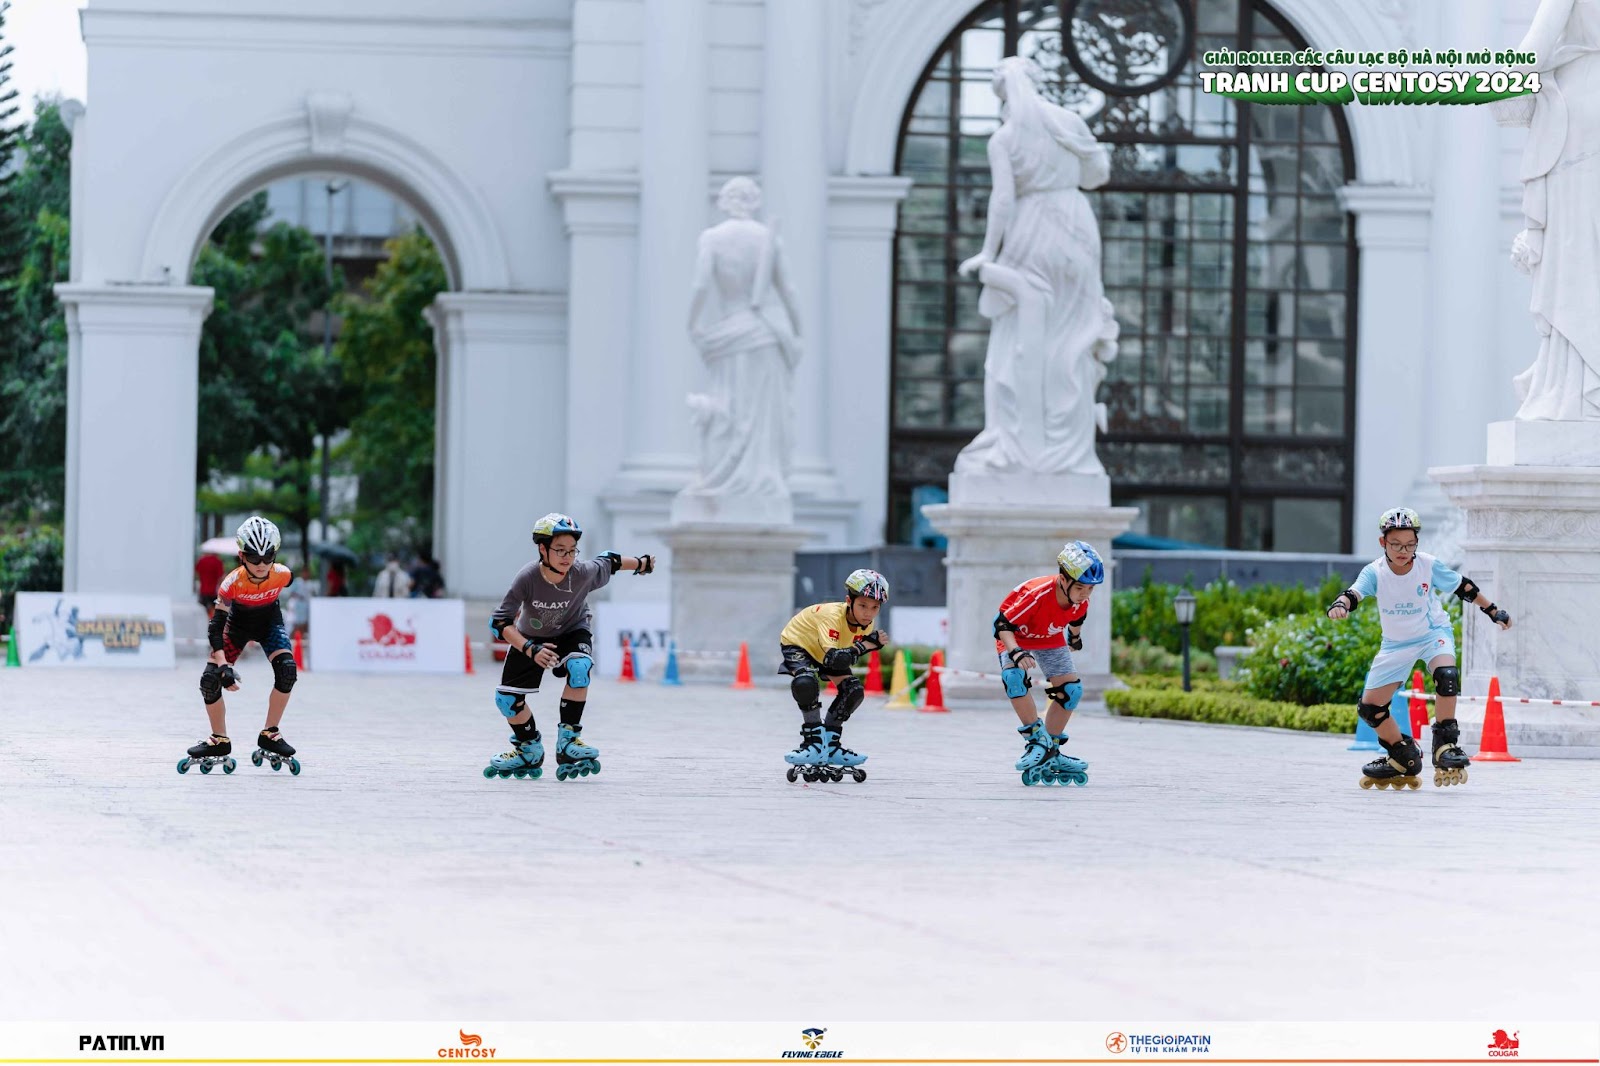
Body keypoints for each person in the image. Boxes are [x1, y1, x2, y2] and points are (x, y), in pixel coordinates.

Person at [1326, 507, 1513, 790]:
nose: (1404, 551)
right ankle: (1403, 755)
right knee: (1370, 709)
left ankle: (1445, 745)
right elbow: (1354, 593)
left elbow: (1463, 587)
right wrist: (1340, 605)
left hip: (1432, 633)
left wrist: (1493, 610)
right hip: (1395, 644)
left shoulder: (1427, 564)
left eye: (1410, 545)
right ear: (1382, 543)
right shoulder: (1374, 572)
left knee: (1447, 675)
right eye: (1396, 545)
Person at [483, 513, 654, 782]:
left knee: (579, 667)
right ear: (542, 549)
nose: (567, 557)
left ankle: (568, 741)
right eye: (560, 550)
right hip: (531, 638)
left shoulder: (582, 573)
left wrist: (642, 564)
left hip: (573, 630)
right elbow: (500, 623)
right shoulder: (527, 577)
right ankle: (528, 749)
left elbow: (610, 561)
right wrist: (530, 649)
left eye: (572, 551)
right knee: (506, 701)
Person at [179, 516, 302, 776]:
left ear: (275, 555)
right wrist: (224, 665)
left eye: (267, 558)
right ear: (241, 556)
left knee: (288, 671)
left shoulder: (283, 575)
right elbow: (215, 626)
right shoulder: (231, 582)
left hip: (269, 623)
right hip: (237, 626)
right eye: (253, 558)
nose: (261, 564)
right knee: (210, 680)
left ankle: (270, 733)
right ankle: (219, 740)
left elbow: (294, 581)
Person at [992, 541, 1103, 786]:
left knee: (1071, 690)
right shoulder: (1037, 595)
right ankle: (1036, 740)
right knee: (1014, 679)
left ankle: (1051, 748)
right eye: (1081, 587)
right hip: (1015, 634)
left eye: (1091, 589)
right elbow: (1002, 625)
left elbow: (1078, 616)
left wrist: (1074, 637)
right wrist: (1018, 653)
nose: (1085, 594)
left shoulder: (1080, 599)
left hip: (1049, 636)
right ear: (1064, 580)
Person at [776, 569, 889, 783]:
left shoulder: (867, 623)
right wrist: (865, 645)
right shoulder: (832, 617)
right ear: (849, 601)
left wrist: (861, 647)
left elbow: (843, 656)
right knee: (805, 682)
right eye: (863, 605)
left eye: (875, 607)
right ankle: (813, 744)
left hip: (827, 651)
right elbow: (834, 660)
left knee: (853, 691)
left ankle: (830, 745)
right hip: (799, 643)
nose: (868, 613)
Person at [195, 552, 224, 617]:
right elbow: (220, 578)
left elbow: (197, 572)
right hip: (213, 591)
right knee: (214, 611)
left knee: (203, 610)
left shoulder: (201, 560)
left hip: (203, 590)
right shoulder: (218, 561)